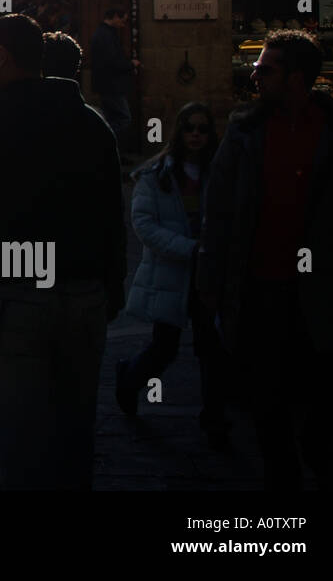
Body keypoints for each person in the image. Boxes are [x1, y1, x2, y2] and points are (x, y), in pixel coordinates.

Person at [0, 13, 126, 490]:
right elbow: (111, 218)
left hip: (16, 299)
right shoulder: (93, 126)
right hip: (83, 298)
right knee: (73, 439)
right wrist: (112, 289)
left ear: (3, 56)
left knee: (19, 446)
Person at [198, 29, 333, 490]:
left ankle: (319, 451)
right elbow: (219, 213)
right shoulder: (245, 133)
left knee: (328, 392)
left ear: (296, 78)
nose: (255, 75)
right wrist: (211, 285)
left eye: (266, 69)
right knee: (267, 398)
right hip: (261, 287)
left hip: (325, 290)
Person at [116, 102, 231, 449]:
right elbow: (145, 225)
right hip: (173, 274)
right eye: (189, 128)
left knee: (212, 347)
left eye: (202, 129)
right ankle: (130, 381)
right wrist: (187, 248)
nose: (196, 134)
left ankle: (214, 418)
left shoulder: (222, 174)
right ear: (179, 132)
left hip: (209, 275)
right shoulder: (155, 176)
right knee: (164, 347)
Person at [90, 6, 138, 163]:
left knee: (111, 118)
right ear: (115, 17)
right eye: (122, 21)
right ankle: (104, 146)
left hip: (106, 84)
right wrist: (131, 64)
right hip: (111, 85)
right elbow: (112, 62)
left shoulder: (103, 34)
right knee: (124, 118)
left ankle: (111, 154)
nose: (123, 25)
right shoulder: (106, 36)